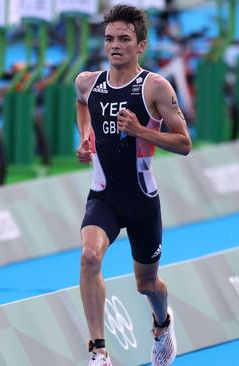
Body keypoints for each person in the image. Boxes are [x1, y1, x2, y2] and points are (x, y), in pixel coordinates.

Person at [74, 4, 192, 366]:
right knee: (89, 256)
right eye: (109, 38)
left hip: (142, 201)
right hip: (104, 196)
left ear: (141, 45)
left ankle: (162, 324)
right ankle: (98, 351)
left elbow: (184, 143)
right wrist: (86, 138)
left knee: (147, 285)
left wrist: (141, 130)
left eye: (124, 39)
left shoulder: (155, 87)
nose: (115, 45)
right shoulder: (88, 82)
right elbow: (82, 104)